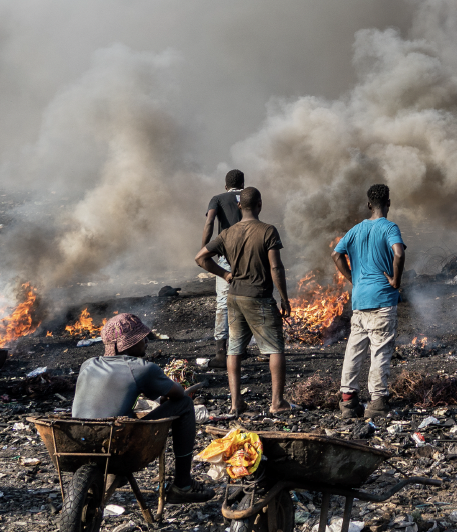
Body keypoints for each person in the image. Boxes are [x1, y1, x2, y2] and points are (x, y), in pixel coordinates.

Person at [72, 314, 211, 502]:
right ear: (127, 345)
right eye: (141, 338)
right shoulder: (141, 368)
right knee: (185, 404)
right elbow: (178, 394)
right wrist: (165, 396)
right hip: (119, 445)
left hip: (79, 442)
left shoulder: (88, 364)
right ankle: (183, 485)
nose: (146, 341)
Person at [195, 187, 294, 415]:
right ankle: (277, 403)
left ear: (240, 206)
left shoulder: (228, 233)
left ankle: (235, 403)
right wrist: (284, 298)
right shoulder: (268, 231)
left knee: (234, 350)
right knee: (275, 348)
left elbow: (200, 258)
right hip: (258, 297)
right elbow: (276, 267)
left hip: (234, 297)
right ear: (260, 204)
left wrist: (225, 275)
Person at [332, 184, 407, 419]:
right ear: (389, 203)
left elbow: (336, 254)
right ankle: (377, 401)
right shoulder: (389, 227)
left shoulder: (355, 230)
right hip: (383, 300)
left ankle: (348, 402)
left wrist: (352, 278)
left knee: (354, 350)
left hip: (360, 301)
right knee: (380, 350)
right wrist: (395, 280)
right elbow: (399, 253)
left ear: (368, 205)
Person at [201, 170, 246, 347]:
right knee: (251, 299)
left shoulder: (217, 198)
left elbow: (210, 222)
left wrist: (205, 248)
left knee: (223, 302)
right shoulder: (249, 195)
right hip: (252, 253)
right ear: (242, 184)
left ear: (226, 186)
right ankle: (257, 348)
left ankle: (221, 350)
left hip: (228, 254)